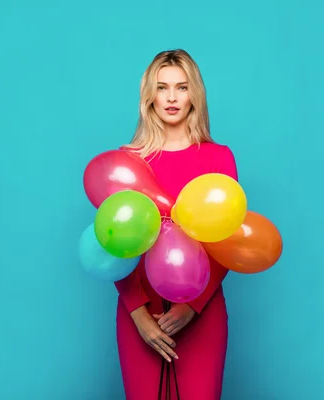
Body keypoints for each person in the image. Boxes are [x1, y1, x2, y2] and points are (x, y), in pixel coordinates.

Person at [115, 49, 238, 400]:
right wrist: (138, 314)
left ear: (194, 94)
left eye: (181, 88)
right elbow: (115, 242)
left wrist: (192, 308)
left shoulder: (219, 157)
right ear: (149, 96)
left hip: (202, 311)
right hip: (140, 313)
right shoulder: (128, 162)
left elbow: (225, 242)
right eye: (162, 87)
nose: (171, 98)